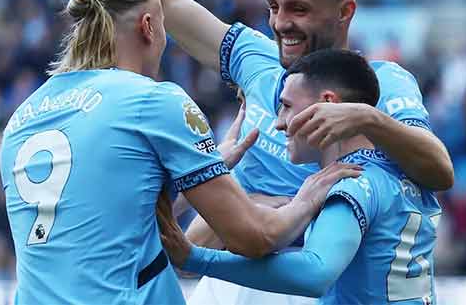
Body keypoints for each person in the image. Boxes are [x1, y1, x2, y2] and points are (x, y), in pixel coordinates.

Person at [34, 0, 453, 243]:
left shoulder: (382, 83)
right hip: (232, 276)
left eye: (298, 9)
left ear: (345, 12)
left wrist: (367, 119)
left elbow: (439, 170)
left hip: (308, 279)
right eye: (274, 6)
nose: (280, 22)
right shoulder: (255, 57)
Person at [0, 0, 361, 305]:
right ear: (148, 26)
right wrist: (307, 198)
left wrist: (204, 169)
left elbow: (109, 221)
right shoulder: (153, 100)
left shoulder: (23, 117)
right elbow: (253, 236)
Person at [158, 49, 442, 305]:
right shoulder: (405, 169)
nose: (279, 122)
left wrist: (197, 258)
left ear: (328, 104)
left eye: (287, 106)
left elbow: (315, 272)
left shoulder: (351, 183)